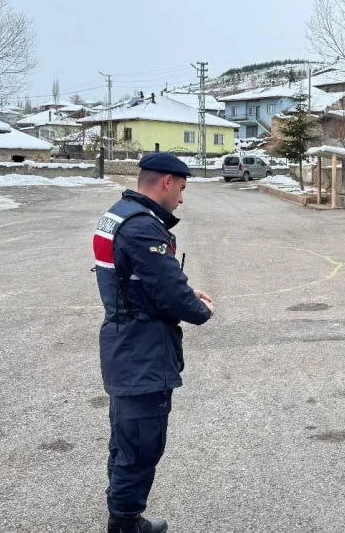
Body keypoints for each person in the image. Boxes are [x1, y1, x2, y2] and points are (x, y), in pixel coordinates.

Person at [92, 153, 214, 533]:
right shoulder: (143, 227)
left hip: (124, 343)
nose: (181, 198)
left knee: (126, 438)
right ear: (165, 182)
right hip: (142, 350)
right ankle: (126, 522)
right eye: (180, 188)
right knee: (142, 443)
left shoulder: (119, 212)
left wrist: (182, 290)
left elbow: (139, 280)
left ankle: (121, 509)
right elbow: (173, 296)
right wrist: (200, 306)